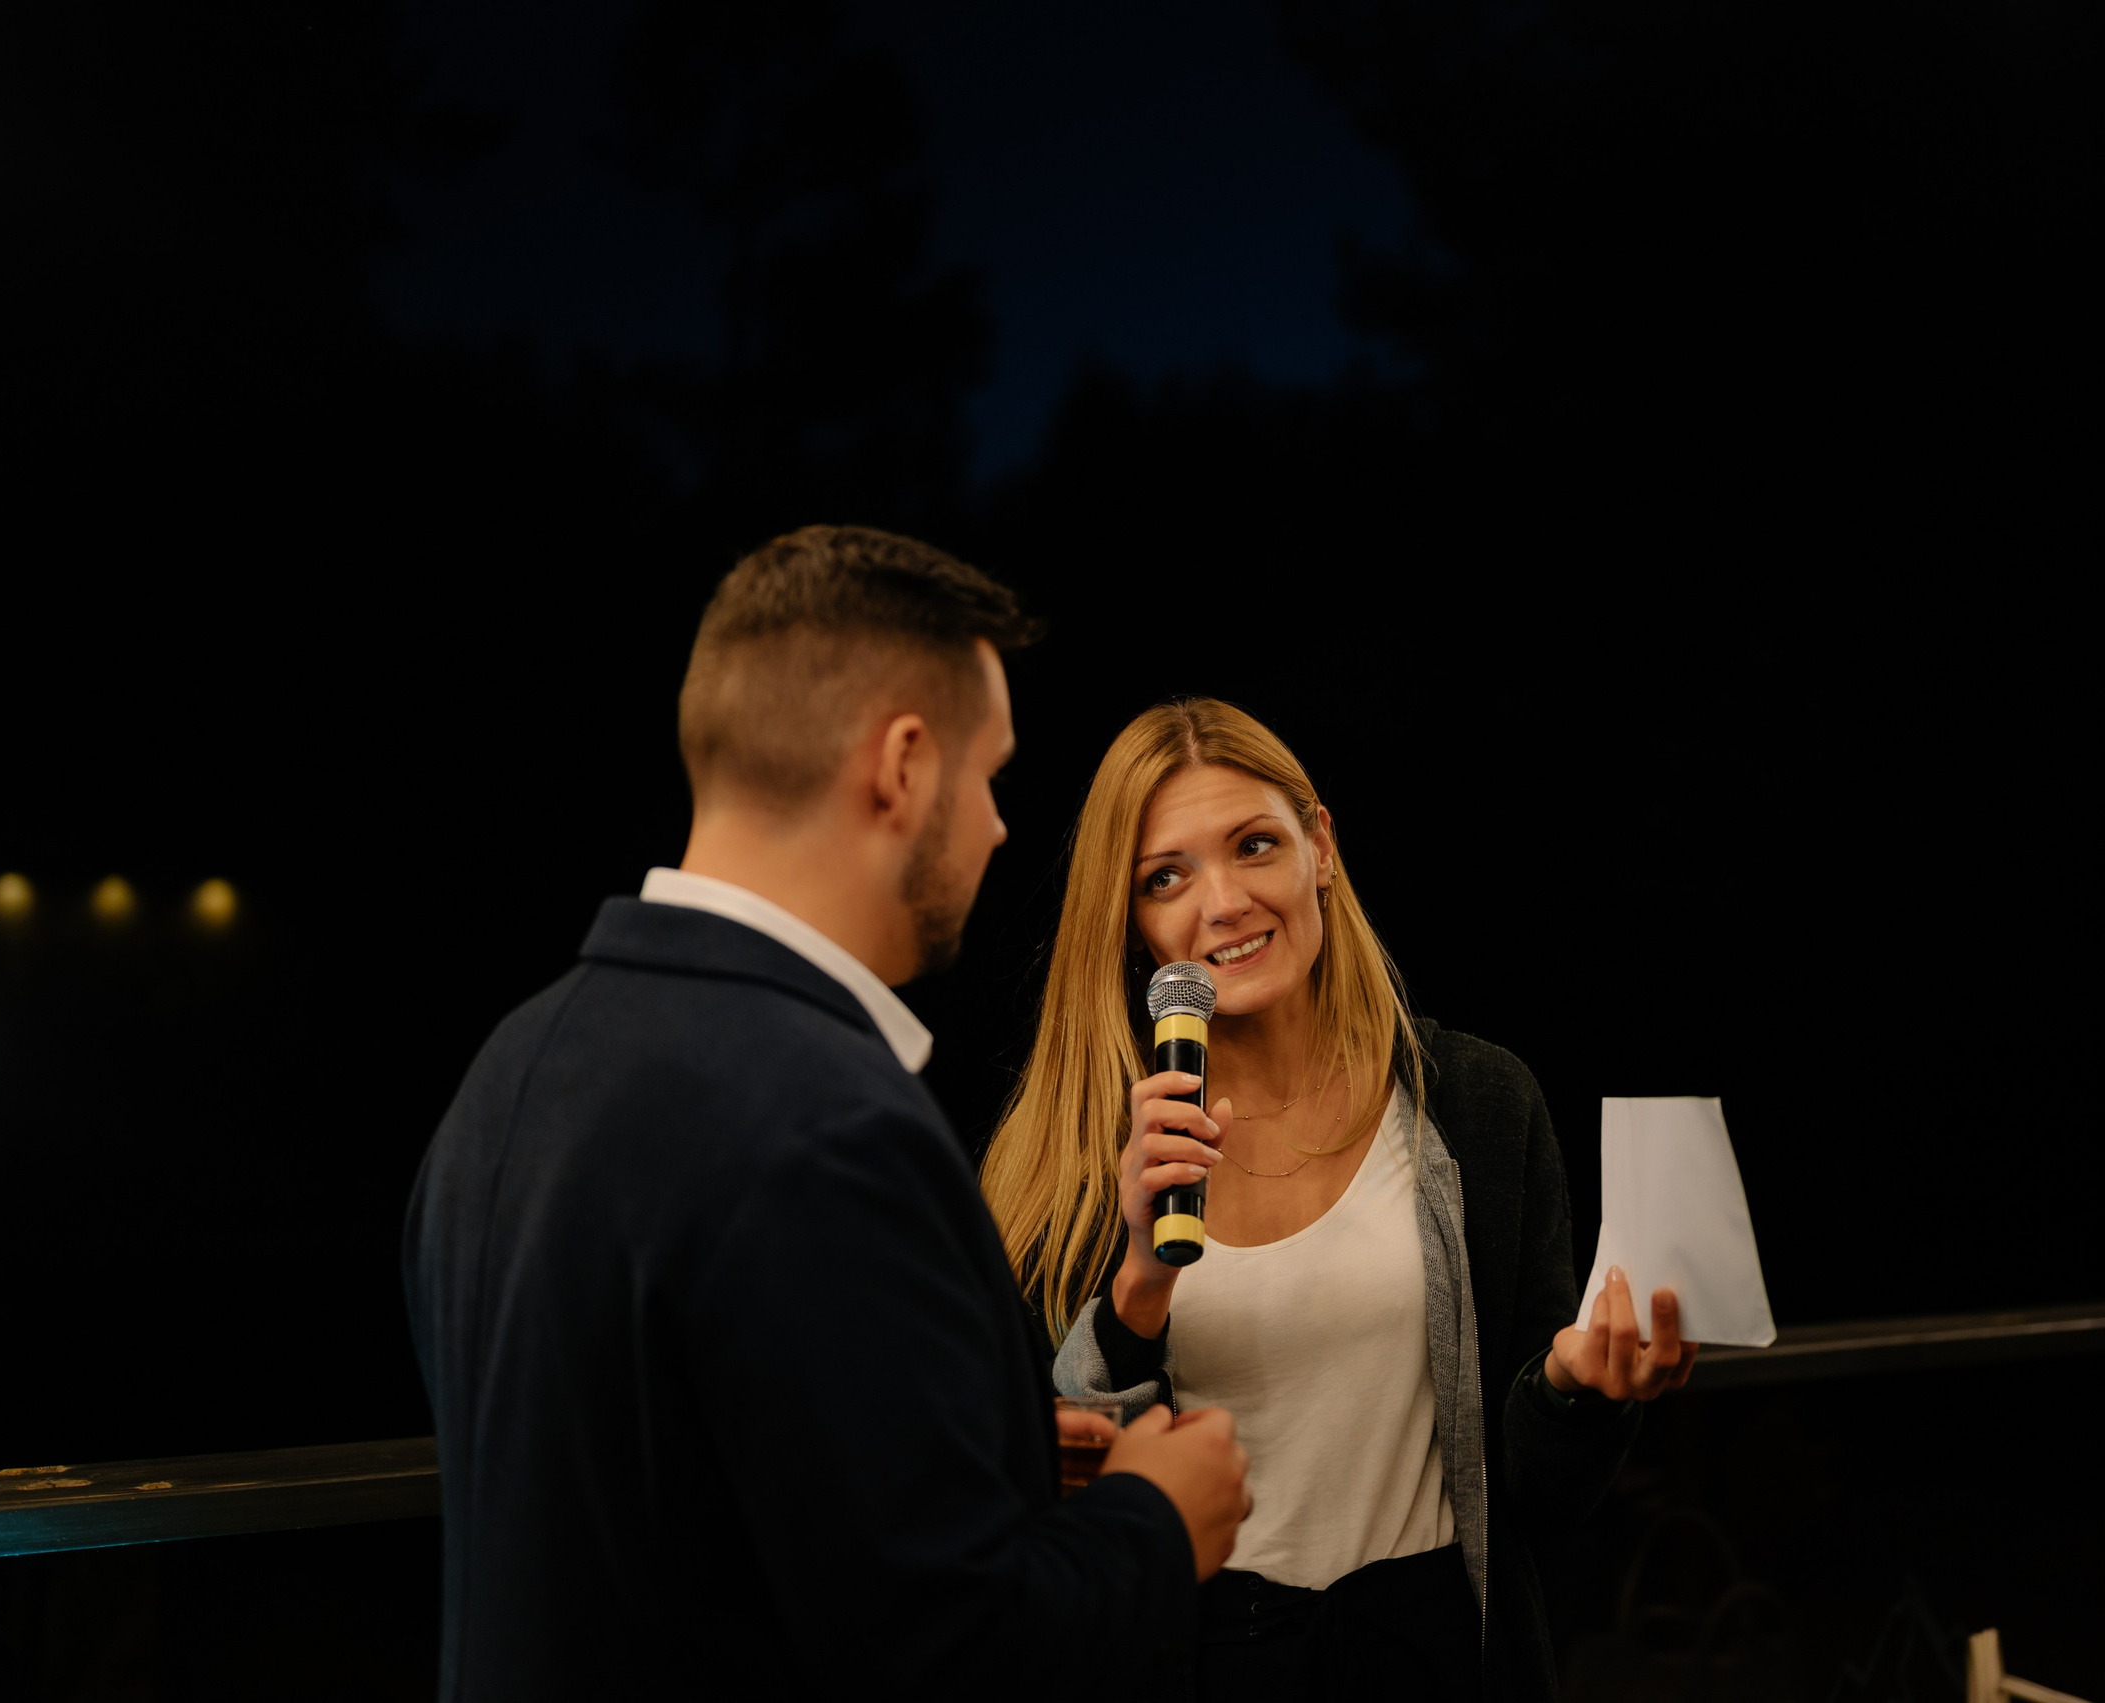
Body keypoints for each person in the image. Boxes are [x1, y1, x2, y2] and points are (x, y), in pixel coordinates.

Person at [404, 527, 1249, 1698]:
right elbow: (949, 1653)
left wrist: (992, 1460)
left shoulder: (513, 1068)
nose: (1002, 826)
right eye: (991, 772)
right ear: (901, 765)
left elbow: (683, 1505)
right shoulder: (825, 1126)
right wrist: (1155, 1522)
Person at [980, 697, 1696, 1702]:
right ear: (1132, 924)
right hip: (1208, 1660)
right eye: (1166, 876)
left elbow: (1535, 1502)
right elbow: (1042, 1521)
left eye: (1255, 844)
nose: (1222, 901)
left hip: (1438, 1649)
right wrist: (1138, 1282)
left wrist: (1576, 1387)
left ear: (1320, 847)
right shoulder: (1076, 1161)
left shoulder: (1476, 1104)